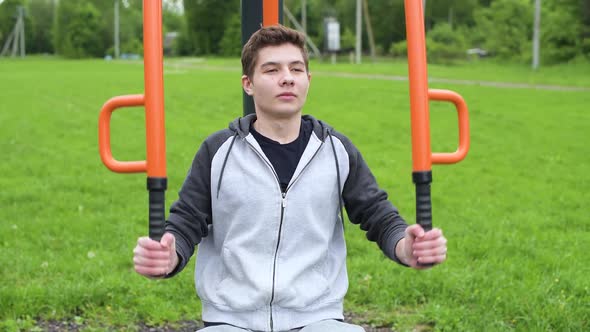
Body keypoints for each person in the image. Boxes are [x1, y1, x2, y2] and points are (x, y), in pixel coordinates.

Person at [133, 25, 447, 332]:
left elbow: (379, 216)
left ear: (308, 80)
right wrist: (167, 257)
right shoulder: (218, 151)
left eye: (296, 69)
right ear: (248, 83)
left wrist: (408, 248)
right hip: (230, 319)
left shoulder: (336, 150)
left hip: (317, 317)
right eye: (271, 70)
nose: (287, 78)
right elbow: (186, 224)